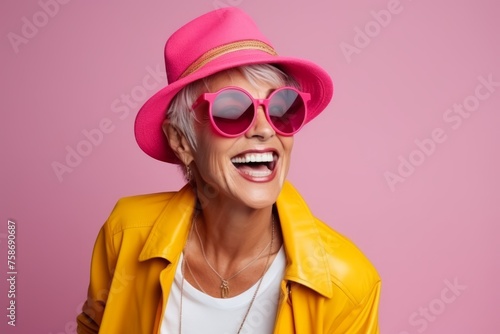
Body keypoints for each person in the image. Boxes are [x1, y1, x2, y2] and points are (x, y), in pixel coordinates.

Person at [76, 7, 381, 334]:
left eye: (281, 109)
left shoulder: (347, 281)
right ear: (181, 140)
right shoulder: (125, 235)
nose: (265, 130)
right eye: (232, 111)